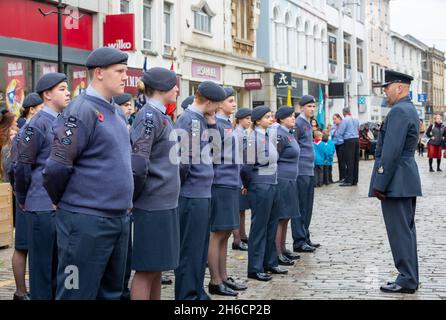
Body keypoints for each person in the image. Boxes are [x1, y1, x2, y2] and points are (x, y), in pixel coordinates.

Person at [42, 47, 134, 300]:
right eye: (120, 71)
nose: (125, 76)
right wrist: (64, 201)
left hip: (117, 218)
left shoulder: (115, 111)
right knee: (75, 292)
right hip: (85, 221)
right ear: (99, 73)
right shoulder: (80, 110)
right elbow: (57, 166)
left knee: (113, 293)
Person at [14, 73, 70, 300]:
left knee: (59, 269)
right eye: (62, 89)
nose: (68, 93)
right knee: (42, 272)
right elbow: (21, 166)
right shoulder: (35, 124)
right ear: (47, 94)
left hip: (59, 206)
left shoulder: (61, 121)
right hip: (41, 206)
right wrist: (23, 196)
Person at [129, 67, 180, 300]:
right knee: (146, 269)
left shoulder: (160, 116)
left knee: (158, 266)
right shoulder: (149, 116)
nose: (178, 89)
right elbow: (138, 163)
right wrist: (136, 196)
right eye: (174, 84)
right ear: (161, 88)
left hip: (164, 203)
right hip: (151, 204)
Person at [369, 70, 422, 294]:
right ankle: (409, 276)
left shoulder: (399, 111)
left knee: (400, 231)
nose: (385, 91)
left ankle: (407, 278)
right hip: (404, 177)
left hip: (396, 180)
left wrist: (380, 182)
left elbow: (390, 151)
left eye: (387, 87)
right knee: (406, 231)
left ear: (399, 87)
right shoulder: (407, 109)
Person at [174, 81, 226, 300]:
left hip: (202, 192)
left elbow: (215, 151)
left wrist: (213, 124)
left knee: (199, 248)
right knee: (190, 249)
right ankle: (187, 296)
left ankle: (197, 290)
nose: (217, 109)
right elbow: (183, 161)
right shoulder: (188, 120)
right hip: (191, 193)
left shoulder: (202, 120)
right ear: (209, 102)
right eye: (217, 105)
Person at [208, 87, 247, 297]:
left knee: (225, 234)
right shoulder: (215, 125)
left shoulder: (227, 125)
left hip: (230, 181)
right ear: (219, 103)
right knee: (217, 234)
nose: (234, 104)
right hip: (220, 183)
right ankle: (215, 280)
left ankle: (223, 276)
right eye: (230, 101)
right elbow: (212, 158)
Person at [241, 105, 287, 282]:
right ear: (258, 120)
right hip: (260, 185)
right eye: (267, 117)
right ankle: (255, 267)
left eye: (272, 116)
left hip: (273, 184)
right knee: (259, 227)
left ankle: (270, 262)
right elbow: (246, 167)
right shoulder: (253, 138)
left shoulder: (268, 137)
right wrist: (247, 184)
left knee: (271, 224)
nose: (271, 119)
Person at [1, 103, 31, 301]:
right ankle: (21, 291)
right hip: (18, 198)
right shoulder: (8, 145)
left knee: (22, 246)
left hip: (18, 196)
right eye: (14, 126)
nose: (17, 129)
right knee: (22, 246)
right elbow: (11, 170)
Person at [291, 95, 320, 253]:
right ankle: (299, 240)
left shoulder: (308, 124)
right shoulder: (298, 123)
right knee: (300, 206)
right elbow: (293, 147)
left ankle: (306, 236)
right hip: (300, 171)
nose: (312, 109)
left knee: (308, 207)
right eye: (309, 106)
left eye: (313, 106)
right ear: (301, 107)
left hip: (309, 169)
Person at [274, 106, 301, 267]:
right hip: (282, 179)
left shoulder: (288, 133)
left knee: (287, 216)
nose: (293, 119)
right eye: (290, 116)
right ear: (282, 119)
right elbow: (274, 158)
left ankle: (283, 248)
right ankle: (277, 251)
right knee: (281, 216)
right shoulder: (279, 134)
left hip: (290, 179)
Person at [231, 108, 252, 251]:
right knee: (238, 210)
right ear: (239, 119)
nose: (249, 121)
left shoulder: (244, 133)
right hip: (238, 175)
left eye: (250, 118)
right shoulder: (238, 134)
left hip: (242, 175)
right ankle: (237, 239)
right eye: (247, 118)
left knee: (242, 209)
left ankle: (243, 235)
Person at [337, 107, 359, 186]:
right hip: (356, 140)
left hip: (349, 140)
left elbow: (340, 132)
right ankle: (355, 180)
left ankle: (349, 180)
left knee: (349, 160)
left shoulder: (345, 120)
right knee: (355, 161)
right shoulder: (356, 119)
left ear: (344, 113)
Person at [331, 113, 345, 182]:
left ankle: (344, 177)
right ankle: (341, 178)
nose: (334, 120)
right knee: (339, 161)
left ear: (339, 118)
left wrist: (337, 128)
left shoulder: (342, 125)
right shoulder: (334, 126)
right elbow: (332, 133)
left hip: (342, 144)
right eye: (333, 119)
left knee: (343, 161)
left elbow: (340, 134)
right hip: (336, 144)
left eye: (335, 118)